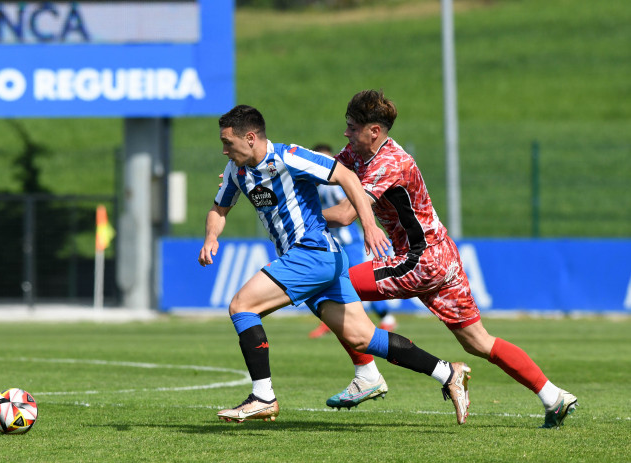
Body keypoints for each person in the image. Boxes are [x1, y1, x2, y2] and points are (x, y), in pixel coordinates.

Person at [199, 104, 471, 425]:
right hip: (319, 259)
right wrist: (210, 238)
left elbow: (346, 176)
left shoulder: (290, 157)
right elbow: (219, 208)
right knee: (362, 337)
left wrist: (369, 225)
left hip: (312, 253)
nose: (223, 150)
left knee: (241, 306)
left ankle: (263, 396)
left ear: (250, 137)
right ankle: (447, 372)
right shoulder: (237, 171)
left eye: (228, 143)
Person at [323, 89, 578, 428]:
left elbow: (342, 215)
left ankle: (368, 373)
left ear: (374, 132)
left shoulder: (389, 162)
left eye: (352, 127)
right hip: (443, 255)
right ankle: (554, 397)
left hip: (420, 260)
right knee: (478, 342)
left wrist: (287, 214)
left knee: (329, 285)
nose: (346, 133)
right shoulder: (357, 154)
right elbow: (321, 169)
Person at [308, 142, 396, 339]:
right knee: (336, 281)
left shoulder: (333, 184)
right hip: (336, 241)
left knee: (355, 282)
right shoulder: (319, 183)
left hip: (350, 241)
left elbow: (346, 206)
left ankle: (386, 317)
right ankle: (334, 321)